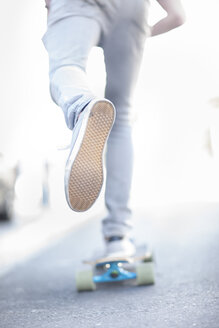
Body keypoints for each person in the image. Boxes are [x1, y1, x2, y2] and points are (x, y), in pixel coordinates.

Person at [42, 0, 185, 257]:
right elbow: (177, 16)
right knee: (121, 118)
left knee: (66, 66)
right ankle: (118, 236)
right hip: (133, 9)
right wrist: (138, 34)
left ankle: (82, 105)